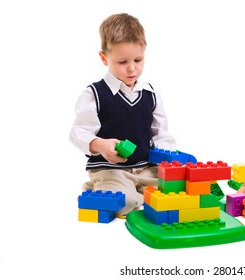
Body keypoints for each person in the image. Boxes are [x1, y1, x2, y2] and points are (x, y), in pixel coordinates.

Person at [69, 13, 176, 218]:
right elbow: (78, 132)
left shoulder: (150, 94)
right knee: (123, 202)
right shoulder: (95, 94)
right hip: (111, 170)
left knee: (178, 191)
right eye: (122, 61)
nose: (132, 68)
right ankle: (99, 187)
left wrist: (170, 160)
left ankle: (139, 193)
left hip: (146, 169)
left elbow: (161, 134)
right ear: (104, 58)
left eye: (138, 60)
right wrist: (100, 145)